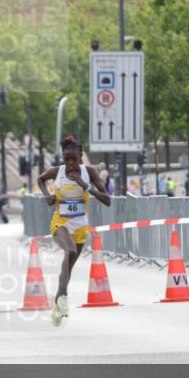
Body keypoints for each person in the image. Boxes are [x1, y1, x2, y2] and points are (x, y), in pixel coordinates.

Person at [37, 136, 112, 326]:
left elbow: (107, 200)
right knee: (69, 251)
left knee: (68, 266)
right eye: (66, 159)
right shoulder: (57, 172)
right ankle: (62, 297)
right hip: (60, 223)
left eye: (73, 159)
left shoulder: (89, 173)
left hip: (80, 225)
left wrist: (84, 184)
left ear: (81, 157)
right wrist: (47, 195)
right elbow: (40, 179)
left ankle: (58, 298)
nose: (69, 164)